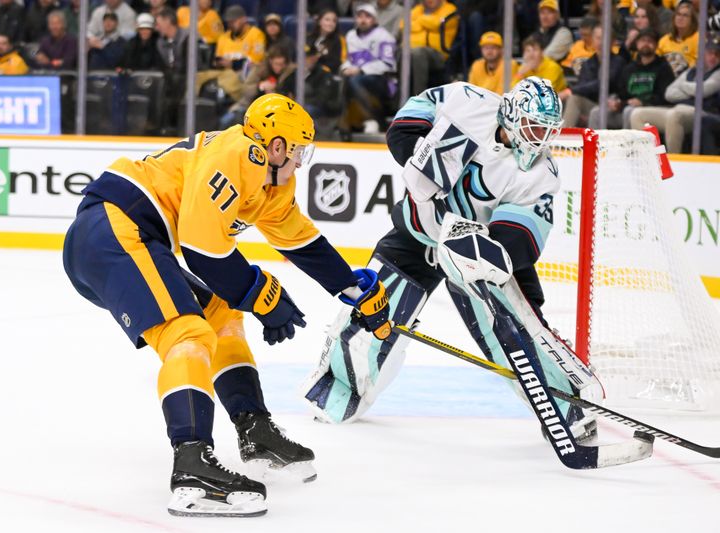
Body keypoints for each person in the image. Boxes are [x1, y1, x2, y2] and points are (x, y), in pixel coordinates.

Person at [62, 93, 391, 517]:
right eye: (299, 151)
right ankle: (192, 465)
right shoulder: (238, 153)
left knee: (220, 312)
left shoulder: (270, 181)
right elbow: (203, 249)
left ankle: (254, 428)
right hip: (113, 231)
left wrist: (354, 290)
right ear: (276, 146)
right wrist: (258, 292)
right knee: (187, 333)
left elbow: (302, 241)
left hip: (126, 236)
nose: (301, 162)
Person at [303, 77, 598, 447]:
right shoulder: (468, 99)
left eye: (547, 130)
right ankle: (337, 393)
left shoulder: (541, 174)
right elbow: (407, 122)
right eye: (534, 126)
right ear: (510, 113)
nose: (540, 138)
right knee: (371, 315)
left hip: (475, 254)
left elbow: (522, 234)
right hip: (417, 234)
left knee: (522, 330)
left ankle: (565, 407)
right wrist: (419, 157)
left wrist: (487, 254)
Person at [630, 39, 720, 153]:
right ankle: (648, 157)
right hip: (678, 108)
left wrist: (682, 86)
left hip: (702, 112)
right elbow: (669, 93)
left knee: (674, 116)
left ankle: (674, 159)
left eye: (717, 54)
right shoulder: (692, 71)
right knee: (638, 114)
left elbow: (703, 91)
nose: (713, 57)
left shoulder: (718, 73)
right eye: (710, 53)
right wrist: (692, 90)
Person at [587, 28, 673, 129]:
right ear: (637, 44)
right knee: (596, 112)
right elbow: (622, 92)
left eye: (650, 41)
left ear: (656, 45)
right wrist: (615, 102)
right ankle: (594, 143)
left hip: (651, 109)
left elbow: (664, 96)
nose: (646, 44)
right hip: (627, 107)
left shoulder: (663, 67)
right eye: (642, 41)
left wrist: (642, 101)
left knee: (630, 111)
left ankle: (627, 143)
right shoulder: (630, 68)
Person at [338, 3, 397, 137]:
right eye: (360, 16)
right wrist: (346, 68)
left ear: (374, 20)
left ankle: (375, 119)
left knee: (353, 81)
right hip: (356, 77)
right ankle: (347, 123)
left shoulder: (384, 36)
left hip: (381, 80)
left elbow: (388, 64)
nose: (363, 20)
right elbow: (348, 59)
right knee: (347, 80)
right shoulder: (351, 35)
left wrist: (361, 70)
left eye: (367, 16)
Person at [560, 25, 626, 127]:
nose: (601, 42)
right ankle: (564, 137)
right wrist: (573, 92)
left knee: (573, 95)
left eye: (605, 38)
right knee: (574, 99)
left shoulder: (618, 62)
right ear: (592, 40)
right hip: (593, 104)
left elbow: (603, 83)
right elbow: (583, 85)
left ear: (612, 41)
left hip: (613, 106)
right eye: (598, 38)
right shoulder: (588, 63)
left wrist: (571, 90)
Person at [220, 45, 295, 128]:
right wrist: (260, 87)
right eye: (276, 64)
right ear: (270, 61)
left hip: (279, 110)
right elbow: (246, 90)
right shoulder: (259, 69)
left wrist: (275, 90)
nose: (279, 67)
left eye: (281, 64)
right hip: (250, 105)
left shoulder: (290, 73)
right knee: (226, 121)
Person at [406, 0, 458, 95]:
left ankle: (419, 98)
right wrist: (427, 23)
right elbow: (404, 25)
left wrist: (419, 20)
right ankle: (394, 102)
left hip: (438, 54)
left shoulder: (449, 9)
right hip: (412, 51)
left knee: (418, 53)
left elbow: (437, 24)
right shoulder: (418, 9)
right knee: (401, 52)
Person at [657, 0, 699, 77]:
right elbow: (656, 61)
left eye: (685, 15)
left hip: (688, 76)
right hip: (664, 76)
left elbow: (700, 63)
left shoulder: (699, 38)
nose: (680, 18)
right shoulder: (664, 40)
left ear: (692, 20)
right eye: (678, 14)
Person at [307, 8, 346, 74]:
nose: (331, 23)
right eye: (327, 20)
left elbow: (339, 62)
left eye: (334, 21)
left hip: (327, 75)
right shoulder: (309, 38)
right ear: (319, 21)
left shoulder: (339, 40)